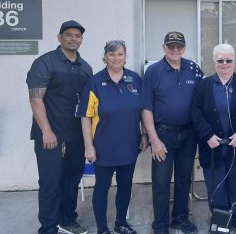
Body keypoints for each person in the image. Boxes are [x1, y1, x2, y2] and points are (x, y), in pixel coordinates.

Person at [26, 20, 93, 234]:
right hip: (51, 136)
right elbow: (36, 99)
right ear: (59, 37)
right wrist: (46, 131)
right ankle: (48, 227)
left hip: (76, 137)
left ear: (81, 40)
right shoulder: (45, 63)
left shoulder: (85, 67)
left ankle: (67, 220)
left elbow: (89, 104)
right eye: (69, 35)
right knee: (51, 183)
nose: (73, 39)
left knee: (71, 181)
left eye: (77, 36)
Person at [77, 40, 145, 234]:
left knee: (125, 186)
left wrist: (145, 134)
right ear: (105, 56)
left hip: (129, 144)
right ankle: (102, 228)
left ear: (125, 56)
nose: (116, 58)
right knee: (102, 187)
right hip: (103, 146)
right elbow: (85, 117)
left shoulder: (135, 79)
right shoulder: (95, 82)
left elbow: (143, 111)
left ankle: (121, 223)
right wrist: (88, 147)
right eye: (112, 54)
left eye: (120, 54)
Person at [191, 44, 236, 234]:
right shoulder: (203, 86)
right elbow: (195, 112)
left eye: (229, 60)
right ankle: (220, 221)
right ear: (214, 63)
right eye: (220, 60)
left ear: (234, 62)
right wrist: (207, 135)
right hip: (211, 147)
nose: (225, 64)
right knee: (216, 187)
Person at [141, 31, 204, 234]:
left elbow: (203, 99)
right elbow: (146, 108)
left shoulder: (193, 68)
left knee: (184, 179)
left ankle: (179, 218)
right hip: (163, 135)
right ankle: (160, 224)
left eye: (179, 46)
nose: (175, 50)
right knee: (161, 181)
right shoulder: (153, 71)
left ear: (184, 48)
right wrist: (153, 139)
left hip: (188, 134)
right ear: (164, 47)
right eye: (171, 46)